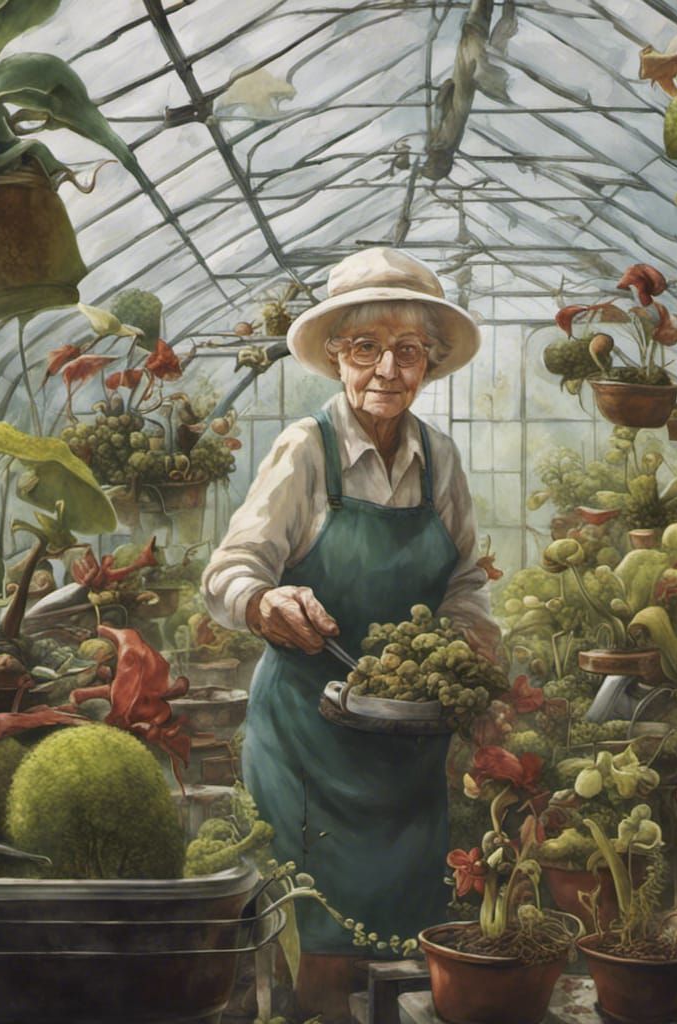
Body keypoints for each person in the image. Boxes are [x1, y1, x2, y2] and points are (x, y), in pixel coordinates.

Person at [201, 247, 499, 1017]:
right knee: (321, 951)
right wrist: (267, 606)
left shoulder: (440, 459)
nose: (388, 369)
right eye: (367, 347)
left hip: (405, 753)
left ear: (431, 361)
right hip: (308, 743)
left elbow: (466, 577)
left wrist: (466, 634)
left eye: (409, 350)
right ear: (337, 356)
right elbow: (230, 569)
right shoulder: (308, 451)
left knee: (415, 939)